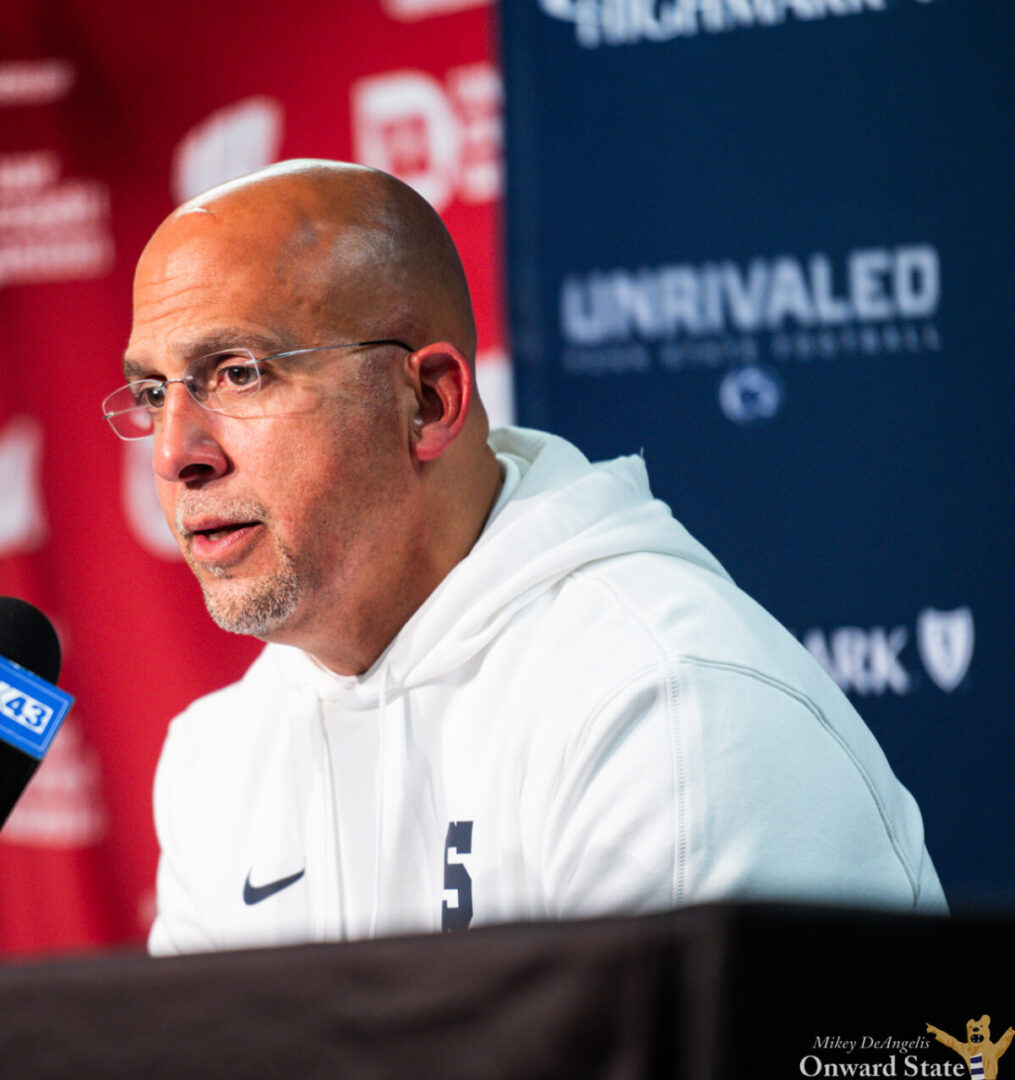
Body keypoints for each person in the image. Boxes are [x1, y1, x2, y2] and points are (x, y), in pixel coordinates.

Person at [104, 159, 946, 956]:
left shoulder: (660, 705)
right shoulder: (216, 759)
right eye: (151, 393)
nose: (177, 453)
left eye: (240, 373)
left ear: (428, 402)